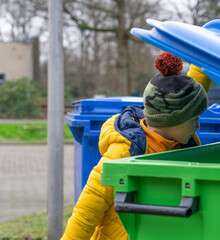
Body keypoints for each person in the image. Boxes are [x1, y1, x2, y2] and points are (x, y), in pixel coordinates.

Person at [61, 52, 211, 240]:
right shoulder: (124, 152)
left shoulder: (176, 138)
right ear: (170, 121)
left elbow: (194, 91)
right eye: (193, 120)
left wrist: (206, 57)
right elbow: (86, 211)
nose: (198, 126)